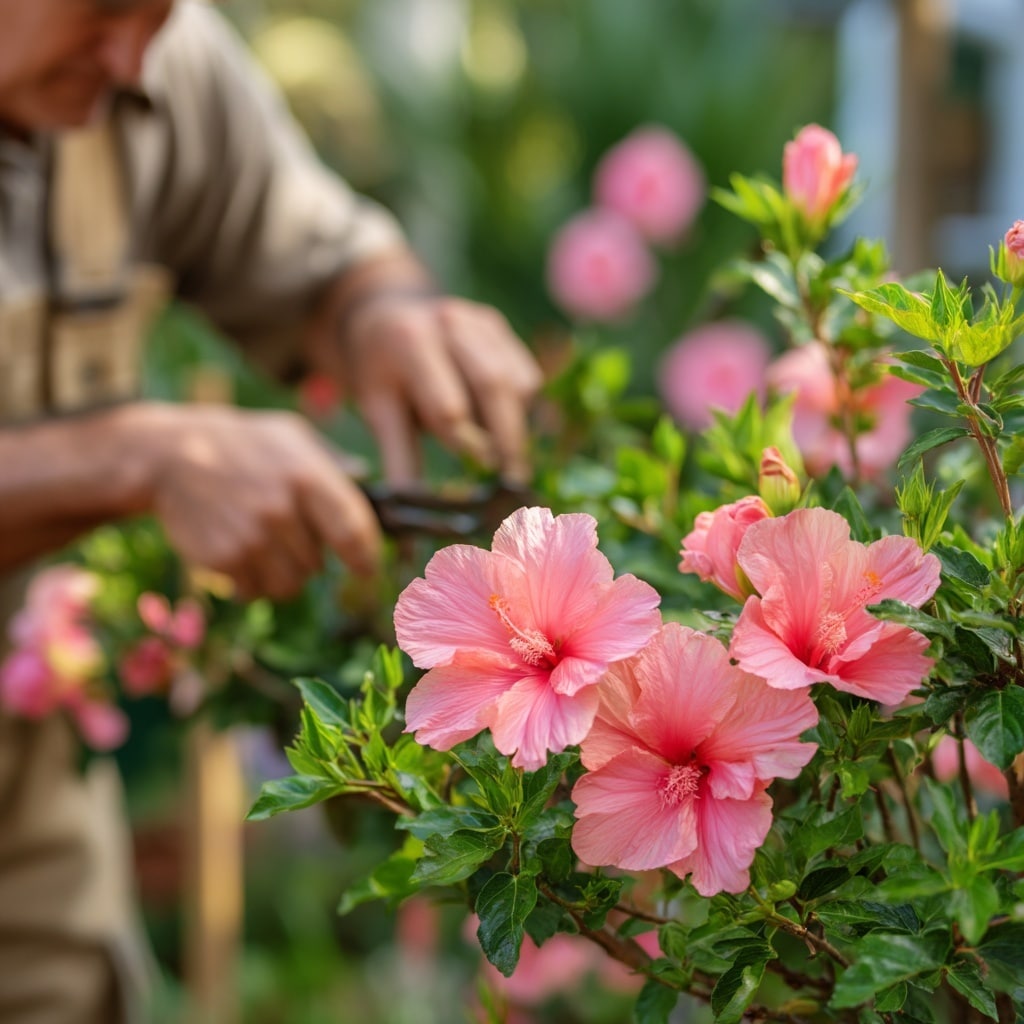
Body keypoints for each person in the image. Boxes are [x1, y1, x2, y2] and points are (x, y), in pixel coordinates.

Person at [0, 1, 542, 1021]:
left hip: (29, 830)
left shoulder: (155, 53)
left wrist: (384, 315)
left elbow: (328, 259)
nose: (130, 58)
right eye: (102, 11)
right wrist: (136, 456)